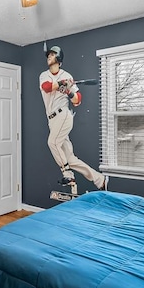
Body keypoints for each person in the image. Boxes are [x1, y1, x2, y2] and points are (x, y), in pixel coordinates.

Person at [39, 45, 108, 194]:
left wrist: (69, 91)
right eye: (48, 55)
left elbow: (77, 101)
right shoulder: (44, 75)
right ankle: (99, 179)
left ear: (58, 58)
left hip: (63, 115)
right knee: (70, 159)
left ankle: (68, 175)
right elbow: (46, 87)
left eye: (51, 55)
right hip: (52, 120)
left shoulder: (67, 75)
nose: (48, 57)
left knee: (52, 142)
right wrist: (62, 84)